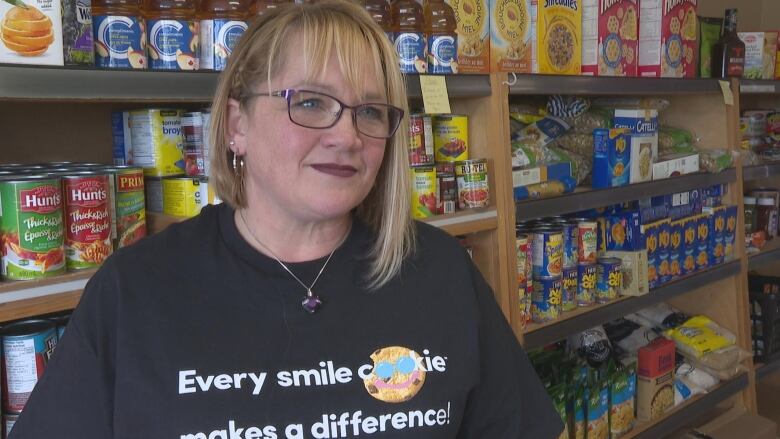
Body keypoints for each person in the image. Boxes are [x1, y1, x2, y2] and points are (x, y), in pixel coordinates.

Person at [11, 1, 562, 438]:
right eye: (311, 102)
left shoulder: (439, 271)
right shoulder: (135, 291)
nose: (347, 135)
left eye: (371, 111)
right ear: (236, 125)